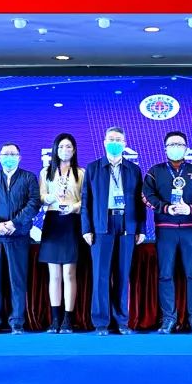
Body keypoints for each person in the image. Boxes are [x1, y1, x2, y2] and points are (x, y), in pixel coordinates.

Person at [80, 127, 147, 336]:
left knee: (122, 274)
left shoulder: (133, 169)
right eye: (111, 139)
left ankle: (122, 321)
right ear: (104, 142)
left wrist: (141, 228)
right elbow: (86, 202)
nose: (115, 143)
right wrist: (86, 228)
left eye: (118, 140)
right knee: (100, 275)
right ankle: (101, 322)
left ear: (125, 144)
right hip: (102, 224)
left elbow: (140, 201)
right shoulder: (93, 168)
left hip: (127, 223)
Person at [142, 131, 192, 335]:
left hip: (190, 230)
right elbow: (147, 196)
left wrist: (190, 208)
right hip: (165, 230)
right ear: (165, 149)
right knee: (165, 275)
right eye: (172, 144)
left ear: (186, 148)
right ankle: (168, 320)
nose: (176, 147)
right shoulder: (155, 171)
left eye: (180, 144)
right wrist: (165, 208)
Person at [0, 143, 40, 335]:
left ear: (19, 157)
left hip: (18, 236)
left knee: (17, 281)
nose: (9, 157)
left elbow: (33, 203)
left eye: (13, 154)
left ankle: (17, 322)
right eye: (5, 154)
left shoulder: (28, 178)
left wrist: (14, 223)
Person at [39, 133, 85, 334]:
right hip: (53, 221)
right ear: (55, 150)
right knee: (54, 274)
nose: (64, 150)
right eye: (61, 147)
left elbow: (86, 200)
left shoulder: (81, 173)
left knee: (69, 273)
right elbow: (40, 197)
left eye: (68, 147)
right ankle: (55, 319)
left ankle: (68, 319)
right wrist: (51, 197)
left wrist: (74, 207)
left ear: (74, 150)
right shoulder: (46, 172)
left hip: (72, 222)